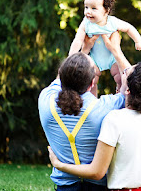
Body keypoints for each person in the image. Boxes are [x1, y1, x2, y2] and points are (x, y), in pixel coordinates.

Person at [48, 61, 141, 191]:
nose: (124, 71)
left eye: (126, 73)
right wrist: (115, 49)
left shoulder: (115, 119)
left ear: (127, 89)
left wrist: (59, 165)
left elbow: (96, 172)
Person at [38, 32, 132, 191]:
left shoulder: (45, 100)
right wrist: (115, 50)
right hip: (99, 185)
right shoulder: (104, 107)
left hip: (64, 185)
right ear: (91, 85)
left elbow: (63, 73)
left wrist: (85, 48)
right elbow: (131, 82)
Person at [69, 0, 141, 96]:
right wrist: (72, 56)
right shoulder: (86, 23)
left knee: (120, 77)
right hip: (94, 59)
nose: (88, 12)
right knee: (92, 80)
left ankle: (120, 94)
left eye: (93, 8)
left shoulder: (112, 22)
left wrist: (138, 41)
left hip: (112, 58)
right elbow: (78, 40)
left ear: (106, 11)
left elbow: (129, 28)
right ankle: (93, 100)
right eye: (86, 7)